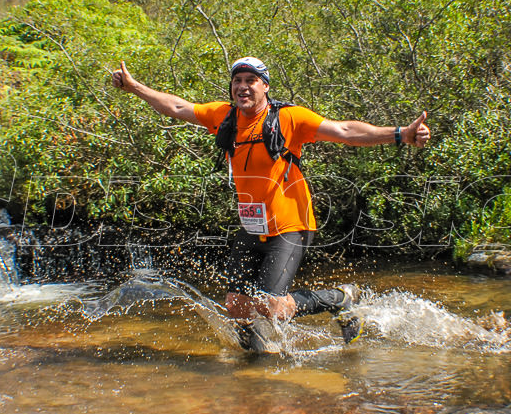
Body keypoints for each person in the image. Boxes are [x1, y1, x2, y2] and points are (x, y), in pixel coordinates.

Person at [111, 56, 431, 351]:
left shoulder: (289, 118)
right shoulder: (225, 117)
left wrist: (400, 134)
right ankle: (255, 359)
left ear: (265, 86)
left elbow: (345, 131)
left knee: (272, 307)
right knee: (236, 306)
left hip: (291, 224)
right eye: (237, 80)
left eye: (251, 80)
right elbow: (178, 107)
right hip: (252, 226)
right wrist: (134, 86)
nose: (242, 86)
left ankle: (339, 299)